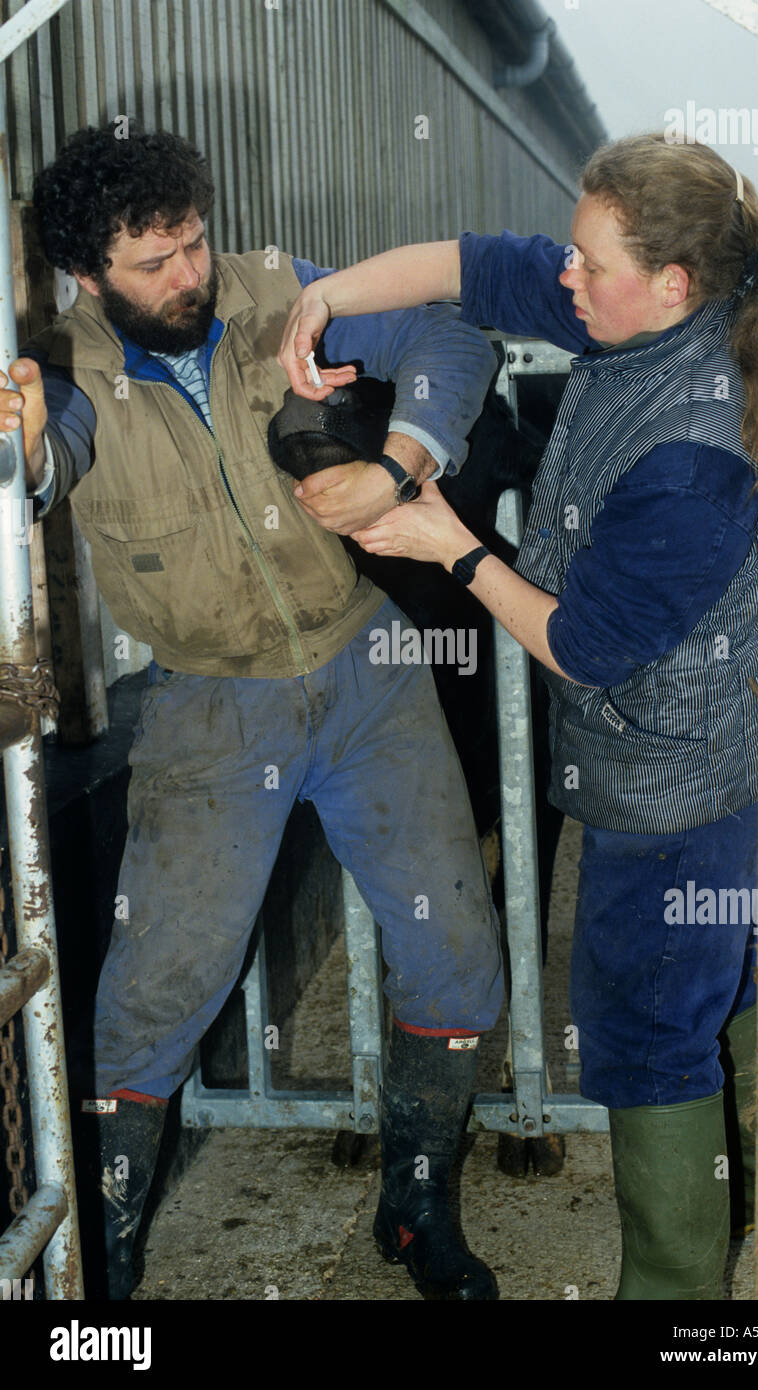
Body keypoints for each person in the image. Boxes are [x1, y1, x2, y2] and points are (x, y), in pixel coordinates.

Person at [1, 122, 506, 1301]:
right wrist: (21, 452)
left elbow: (445, 331)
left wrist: (403, 458)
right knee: (154, 997)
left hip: (367, 669)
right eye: (155, 261)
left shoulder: (280, 290)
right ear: (89, 276)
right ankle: (106, 1265)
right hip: (210, 709)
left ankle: (416, 1205)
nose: (190, 274)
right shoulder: (65, 372)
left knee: (454, 949)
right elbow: (42, 463)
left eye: (193, 239)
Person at [279, 133, 758, 1301]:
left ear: (670, 286)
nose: (564, 280)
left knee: (645, 1035)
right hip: (657, 759)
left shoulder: (695, 455)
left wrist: (454, 542)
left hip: (673, 784)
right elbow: (469, 262)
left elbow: (587, 646)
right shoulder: (631, 311)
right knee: (709, 1000)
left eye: (588, 265)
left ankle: (679, 1302)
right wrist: (318, 303)